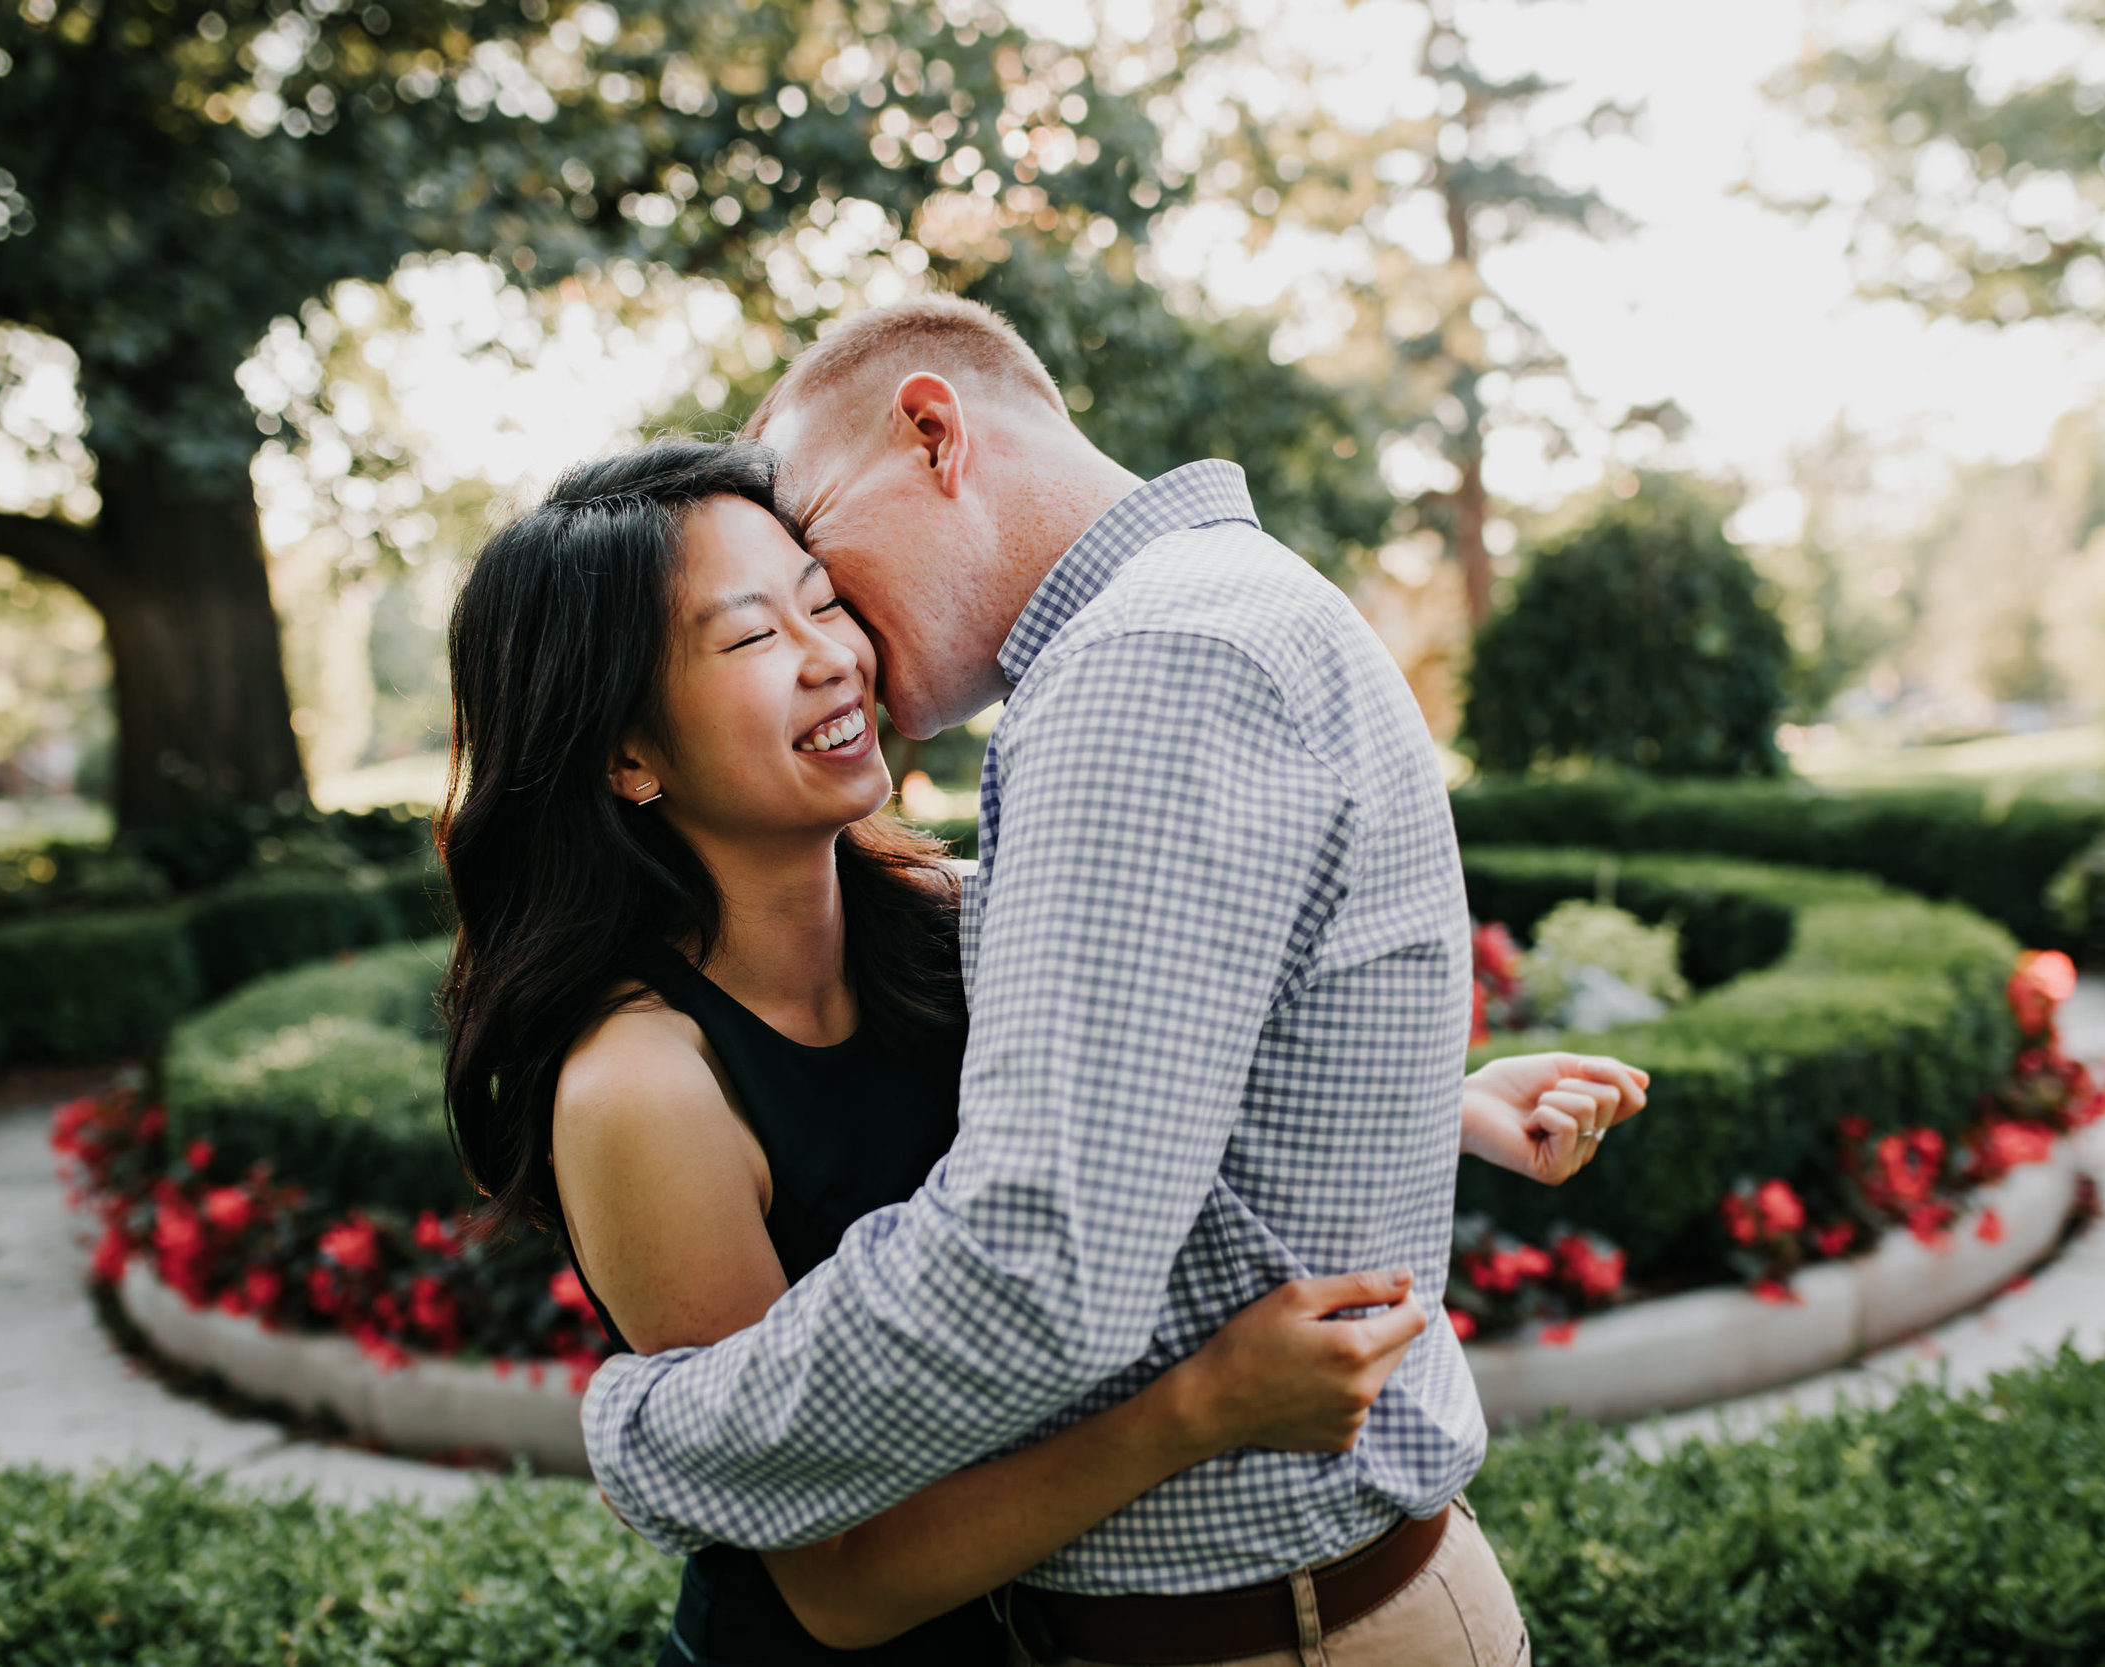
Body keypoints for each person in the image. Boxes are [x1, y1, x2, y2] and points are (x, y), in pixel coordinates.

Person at [577, 298, 1648, 1667]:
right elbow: (1151, 1059)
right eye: (763, 623)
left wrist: (658, 1436)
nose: (837, 638)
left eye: (823, 568)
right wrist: (1406, 1098)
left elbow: (1039, 1260)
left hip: (1268, 1633)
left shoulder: (1146, 663)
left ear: (933, 431)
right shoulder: (1208, 610)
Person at [441, 441, 1467, 1664]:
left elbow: (1138, 1084)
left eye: (823, 601)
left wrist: (1448, 1102)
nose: (835, 656)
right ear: (626, 754)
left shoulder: (942, 910)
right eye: (751, 638)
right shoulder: (644, 1085)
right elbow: (838, 1585)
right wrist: (1195, 1410)